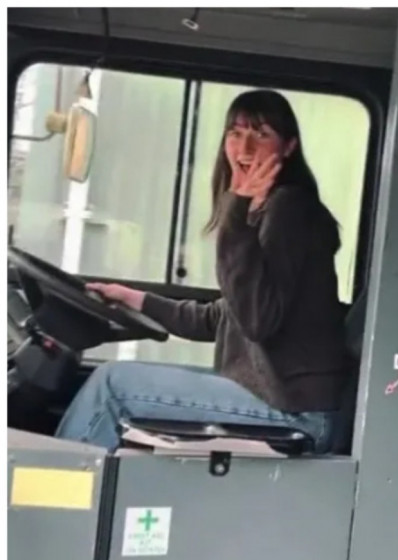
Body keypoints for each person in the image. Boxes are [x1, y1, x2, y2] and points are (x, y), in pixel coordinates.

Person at [55, 89, 348, 454]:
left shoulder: (289, 210)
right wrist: (133, 299)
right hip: (266, 393)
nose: (245, 147)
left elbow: (257, 320)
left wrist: (235, 217)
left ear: (288, 147)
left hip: (293, 410)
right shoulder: (262, 212)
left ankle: (50, 498)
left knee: (112, 385)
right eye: (235, 133)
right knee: (115, 381)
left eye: (261, 134)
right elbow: (223, 318)